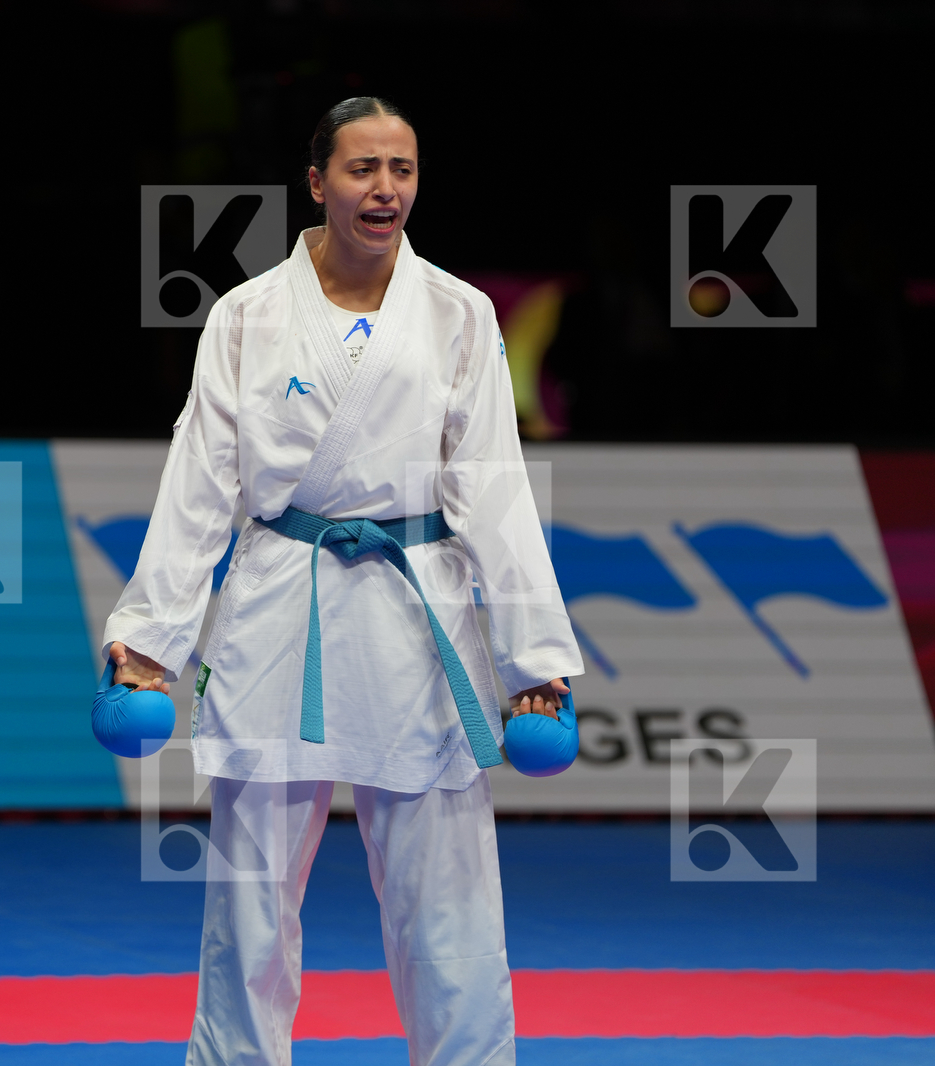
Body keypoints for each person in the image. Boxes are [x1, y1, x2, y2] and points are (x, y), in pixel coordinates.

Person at [103, 97, 584, 1066]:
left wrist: (533, 658)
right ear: (316, 182)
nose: (385, 189)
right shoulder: (247, 314)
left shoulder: (457, 312)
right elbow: (200, 478)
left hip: (415, 611)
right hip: (281, 600)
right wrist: (149, 640)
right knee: (249, 892)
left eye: (401, 169)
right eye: (363, 169)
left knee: (444, 896)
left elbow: (491, 486)